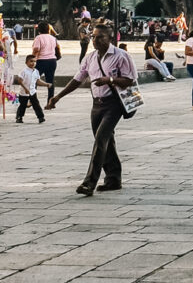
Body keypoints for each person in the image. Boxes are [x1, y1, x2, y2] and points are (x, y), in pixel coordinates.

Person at [46, 22, 137, 196]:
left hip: (115, 103)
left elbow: (130, 80)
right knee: (106, 140)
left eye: (100, 37)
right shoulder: (90, 58)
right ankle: (113, 179)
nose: (95, 40)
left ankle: (89, 182)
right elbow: (77, 79)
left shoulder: (121, 56)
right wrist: (57, 97)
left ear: (110, 38)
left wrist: (109, 80)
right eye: (93, 36)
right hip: (97, 104)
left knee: (101, 140)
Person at [14, 54, 49, 124]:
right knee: (23, 105)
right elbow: (19, 81)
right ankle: (19, 117)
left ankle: (41, 117)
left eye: (35, 61)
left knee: (36, 104)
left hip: (32, 91)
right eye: (31, 61)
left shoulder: (36, 71)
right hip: (24, 92)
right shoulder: (24, 71)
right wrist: (25, 89)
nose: (33, 63)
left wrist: (46, 84)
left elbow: (38, 81)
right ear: (26, 62)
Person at [32, 21, 60, 105]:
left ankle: (32, 100)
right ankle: (50, 101)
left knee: (33, 80)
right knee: (50, 81)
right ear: (48, 29)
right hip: (52, 61)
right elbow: (57, 47)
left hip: (41, 61)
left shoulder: (38, 38)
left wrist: (33, 59)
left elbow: (36, 49)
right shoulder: (53, 38)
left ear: (39, 30)